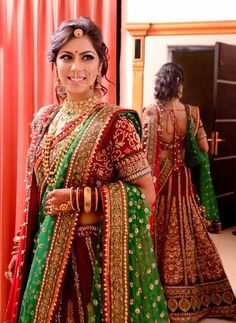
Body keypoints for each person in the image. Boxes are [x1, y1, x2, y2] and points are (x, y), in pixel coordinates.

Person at [4, 17, 170, 323]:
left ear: (100, 66)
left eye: (86, 57)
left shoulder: (116, 122)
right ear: (55, 64)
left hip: (94, 263)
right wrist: (20, 245)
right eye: (66, 57)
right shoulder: (44, 119)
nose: (76, 67)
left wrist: (81, 201)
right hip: (44, 255)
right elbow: (35, 194)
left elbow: (145, 195)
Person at [142, 62, 236, 322]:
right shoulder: (193, 113)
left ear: (160, 84)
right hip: (181, 181)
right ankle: (200, 297)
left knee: (157, 232)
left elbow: (142, 154)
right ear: (179, 86)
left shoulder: (149, 112)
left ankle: (157, 294)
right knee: (190, 232)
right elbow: (204, 148)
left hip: (157, 184)